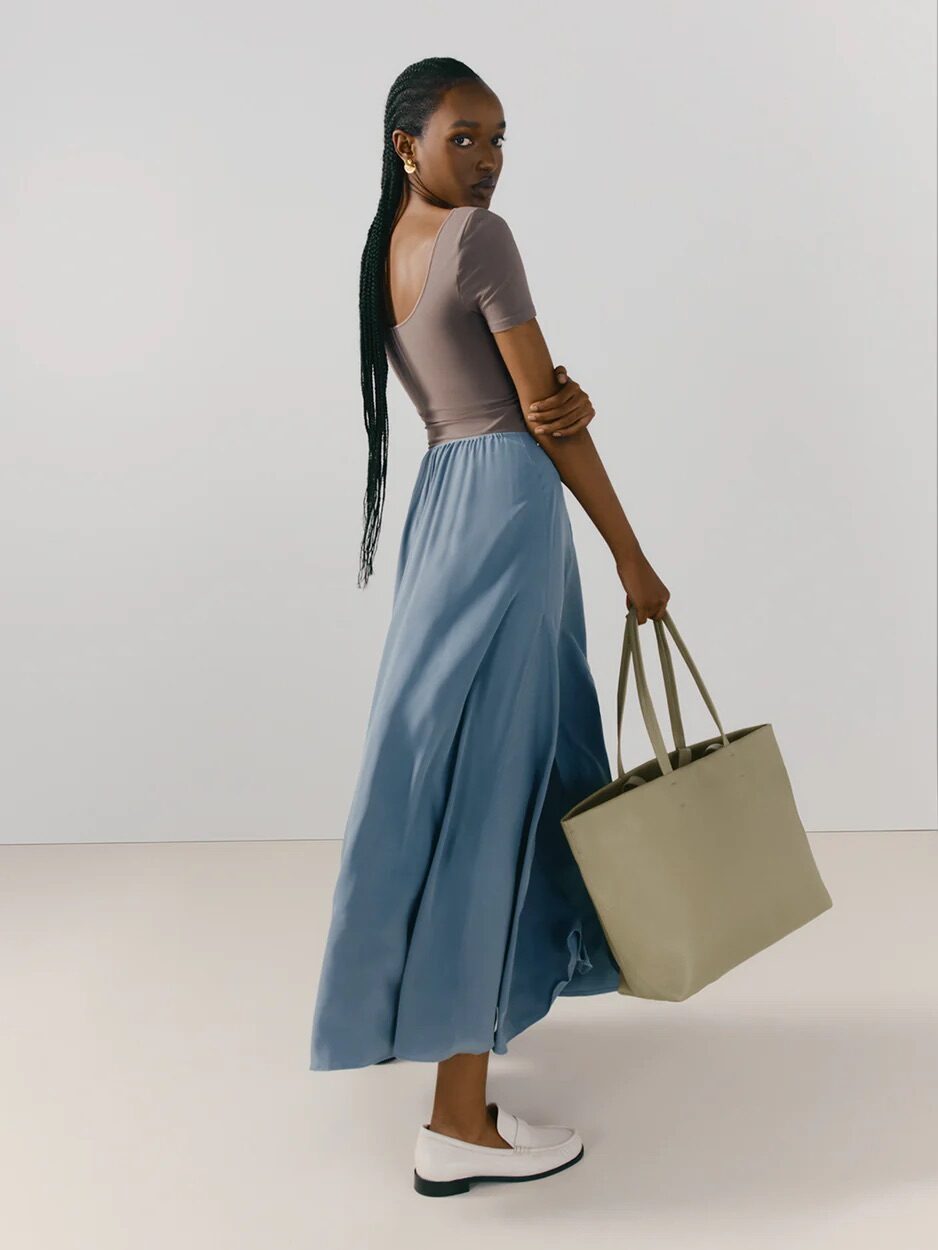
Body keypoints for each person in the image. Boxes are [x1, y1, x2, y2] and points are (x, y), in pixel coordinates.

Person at [309, 57, 670, 1197]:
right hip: (508, 512)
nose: (488, 159)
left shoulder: (386, 253)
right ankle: (456, 1121)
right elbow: (545, 419)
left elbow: (518, 396)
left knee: (459, 781)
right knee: (496, 792)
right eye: (464, 137)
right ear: (403, 142)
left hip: (442, 512)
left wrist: (553, 395)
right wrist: (629, 553)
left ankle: (456, 1077)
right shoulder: (481, 239)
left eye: (499, 138)